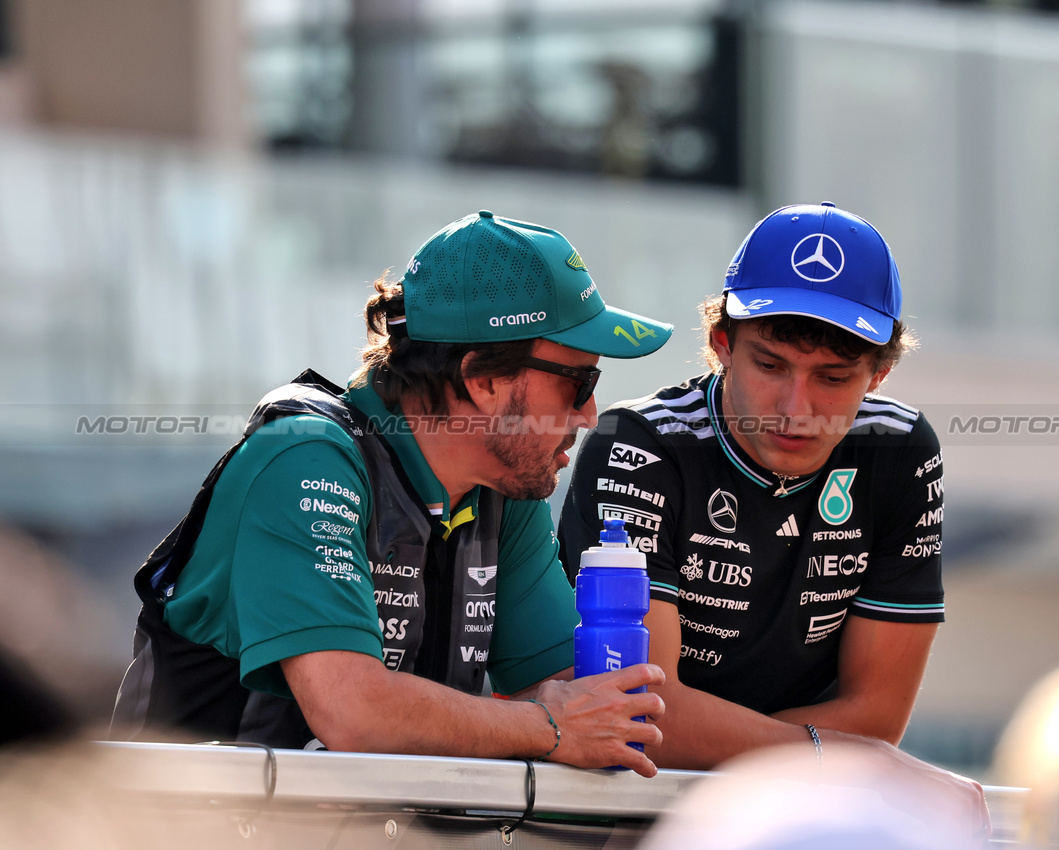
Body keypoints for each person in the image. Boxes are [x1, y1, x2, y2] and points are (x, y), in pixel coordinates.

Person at [112, 210, 673, 776]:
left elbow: (590, 704)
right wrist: (547, 729)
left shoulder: (504, 490)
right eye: (579, 384)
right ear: (482, 380)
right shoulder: (303, 458)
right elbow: (353, 713)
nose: (589, 415)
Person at [560, 203, 948, 770]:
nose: (796, 410)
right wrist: (831, 757)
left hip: (791, 809)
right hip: (626, 803)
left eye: (834, 379)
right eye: (770, 366)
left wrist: (743, 747)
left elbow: (878, 714)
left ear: (879, 374)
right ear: (722, 345)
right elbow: (640, 710)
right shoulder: (638, 445)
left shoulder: (901, 450)